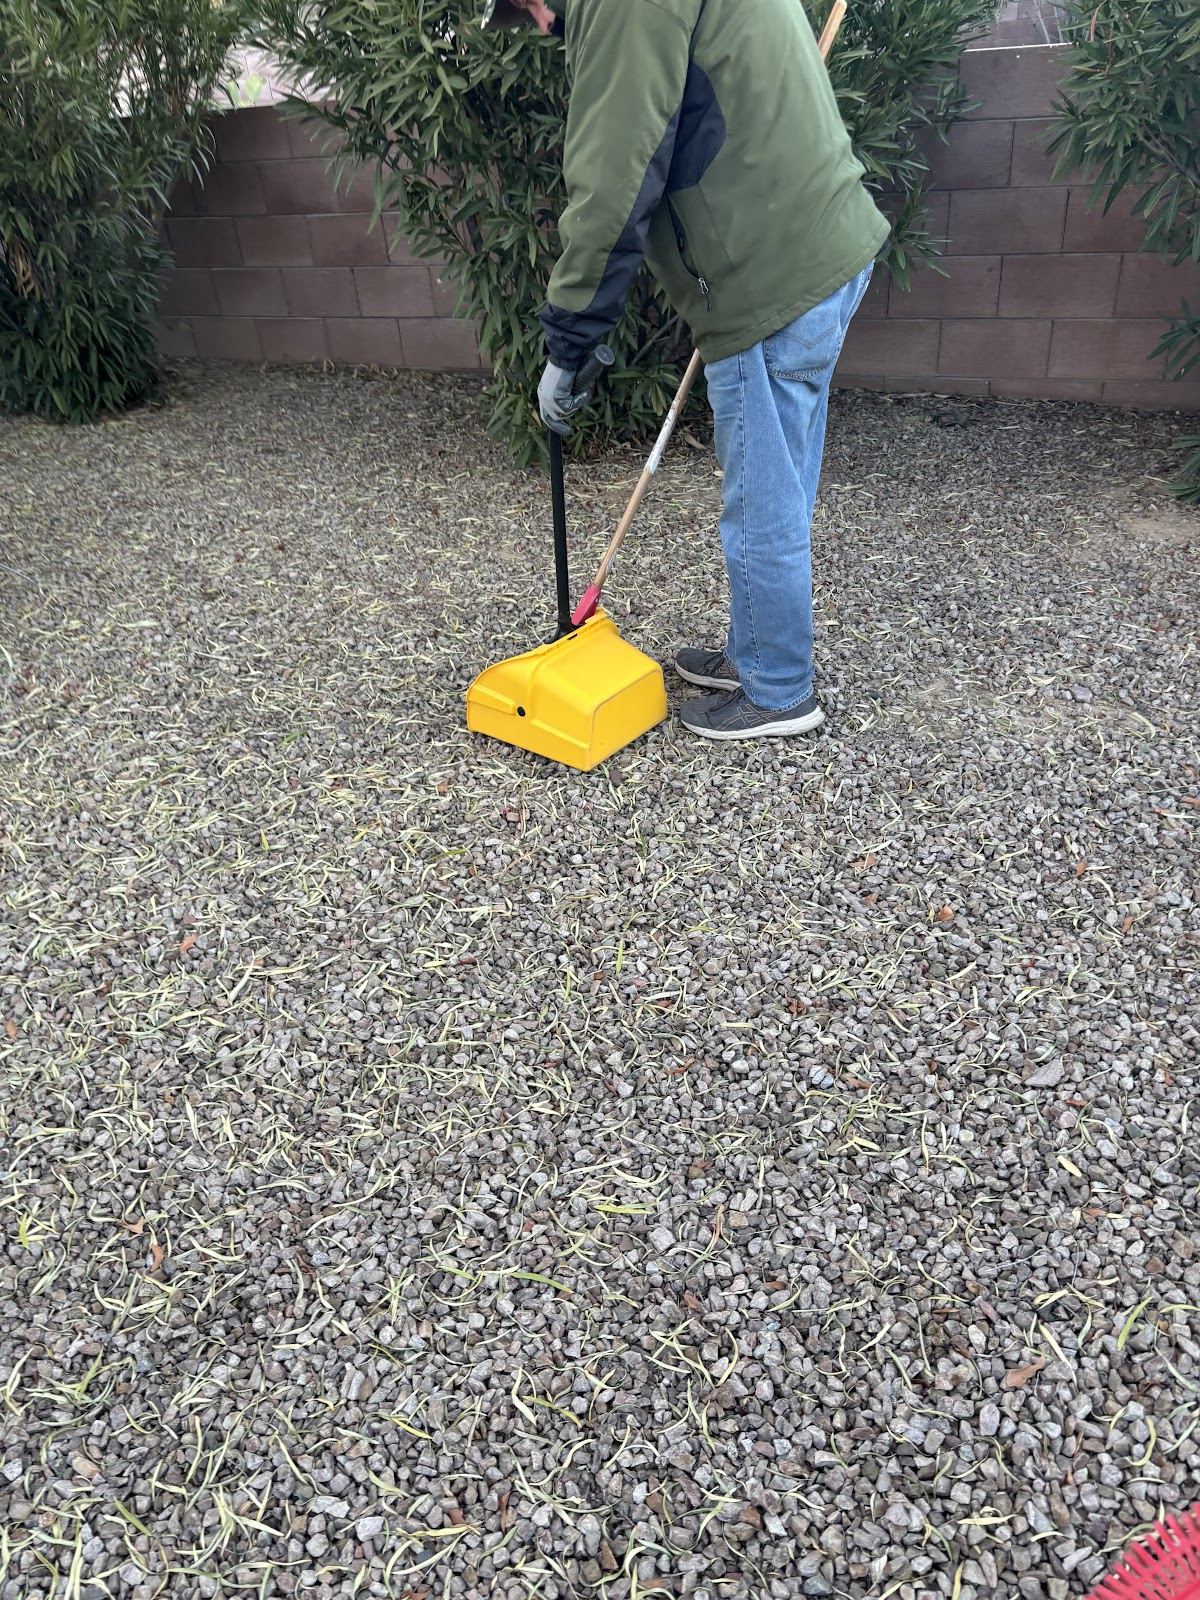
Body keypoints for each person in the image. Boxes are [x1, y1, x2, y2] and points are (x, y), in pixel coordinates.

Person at [483, 0, 888, 741]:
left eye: (527, 11)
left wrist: (571, 342)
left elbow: (615, 176)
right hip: (821, 243)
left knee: (762, 497)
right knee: (781, 480)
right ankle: (759, 651)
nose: (541, 27)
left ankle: (778, 692)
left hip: (770, 274)